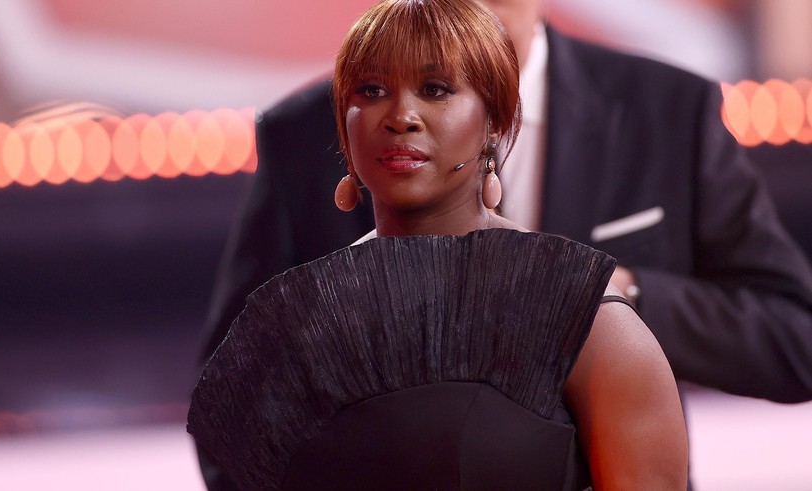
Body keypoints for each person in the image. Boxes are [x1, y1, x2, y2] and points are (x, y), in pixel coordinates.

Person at [202, 0, 812, 404]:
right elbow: (229, 393)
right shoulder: (306, 135)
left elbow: (796, 341)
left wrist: (617, 295)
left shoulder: (668, 113)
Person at [189, 0, 688, 488]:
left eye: (436, 89)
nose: (401, 116)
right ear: (344, 126)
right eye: (372, 89)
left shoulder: (590, 323)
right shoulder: (294, 326)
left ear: (494, 123)